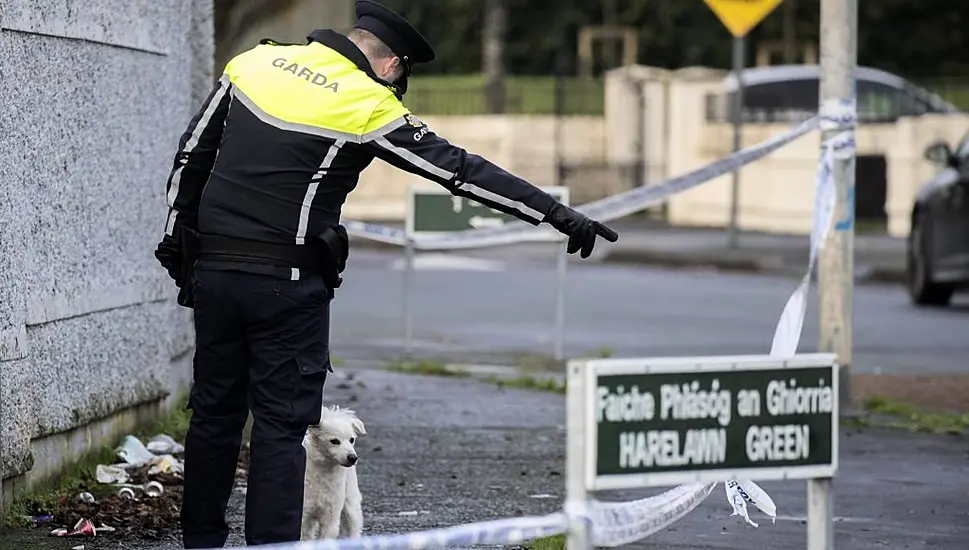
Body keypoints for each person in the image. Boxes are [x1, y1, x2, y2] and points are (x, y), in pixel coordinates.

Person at [154, 0, 619, 547]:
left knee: (213, 417)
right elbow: (462, 172)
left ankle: (201, 542)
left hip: (215, 274)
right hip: (288, 287)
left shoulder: (254, 64)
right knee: (280, 430)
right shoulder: (367, 103)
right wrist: (556, 214)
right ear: (393, 65)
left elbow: (191, 157)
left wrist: (178, 246)